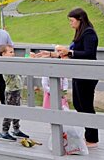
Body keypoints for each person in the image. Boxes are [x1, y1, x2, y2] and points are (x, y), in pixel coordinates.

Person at [42, 8, 99, 148]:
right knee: (79, 104)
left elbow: (89, 53)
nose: (70, 23)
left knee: (86, 106)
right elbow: (74, 53)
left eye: (71, 20)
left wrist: (70, 51)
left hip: (87, 75)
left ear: (80, 20)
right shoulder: (80, 32)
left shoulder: (89, 33)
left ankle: (92, 139)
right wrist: (52, 55)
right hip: (79, 74)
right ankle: (88, 135)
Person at [0, 44, 29, 141]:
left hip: (17, 90)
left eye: (13, 52)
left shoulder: (12, 62)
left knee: (17, 111)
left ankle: (16, 129)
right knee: (10, 112)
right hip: (11, 91)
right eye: (10, 52)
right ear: (3, 54)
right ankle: (4, 132)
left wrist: (28, 57)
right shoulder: (5, 64)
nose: (13, 54)